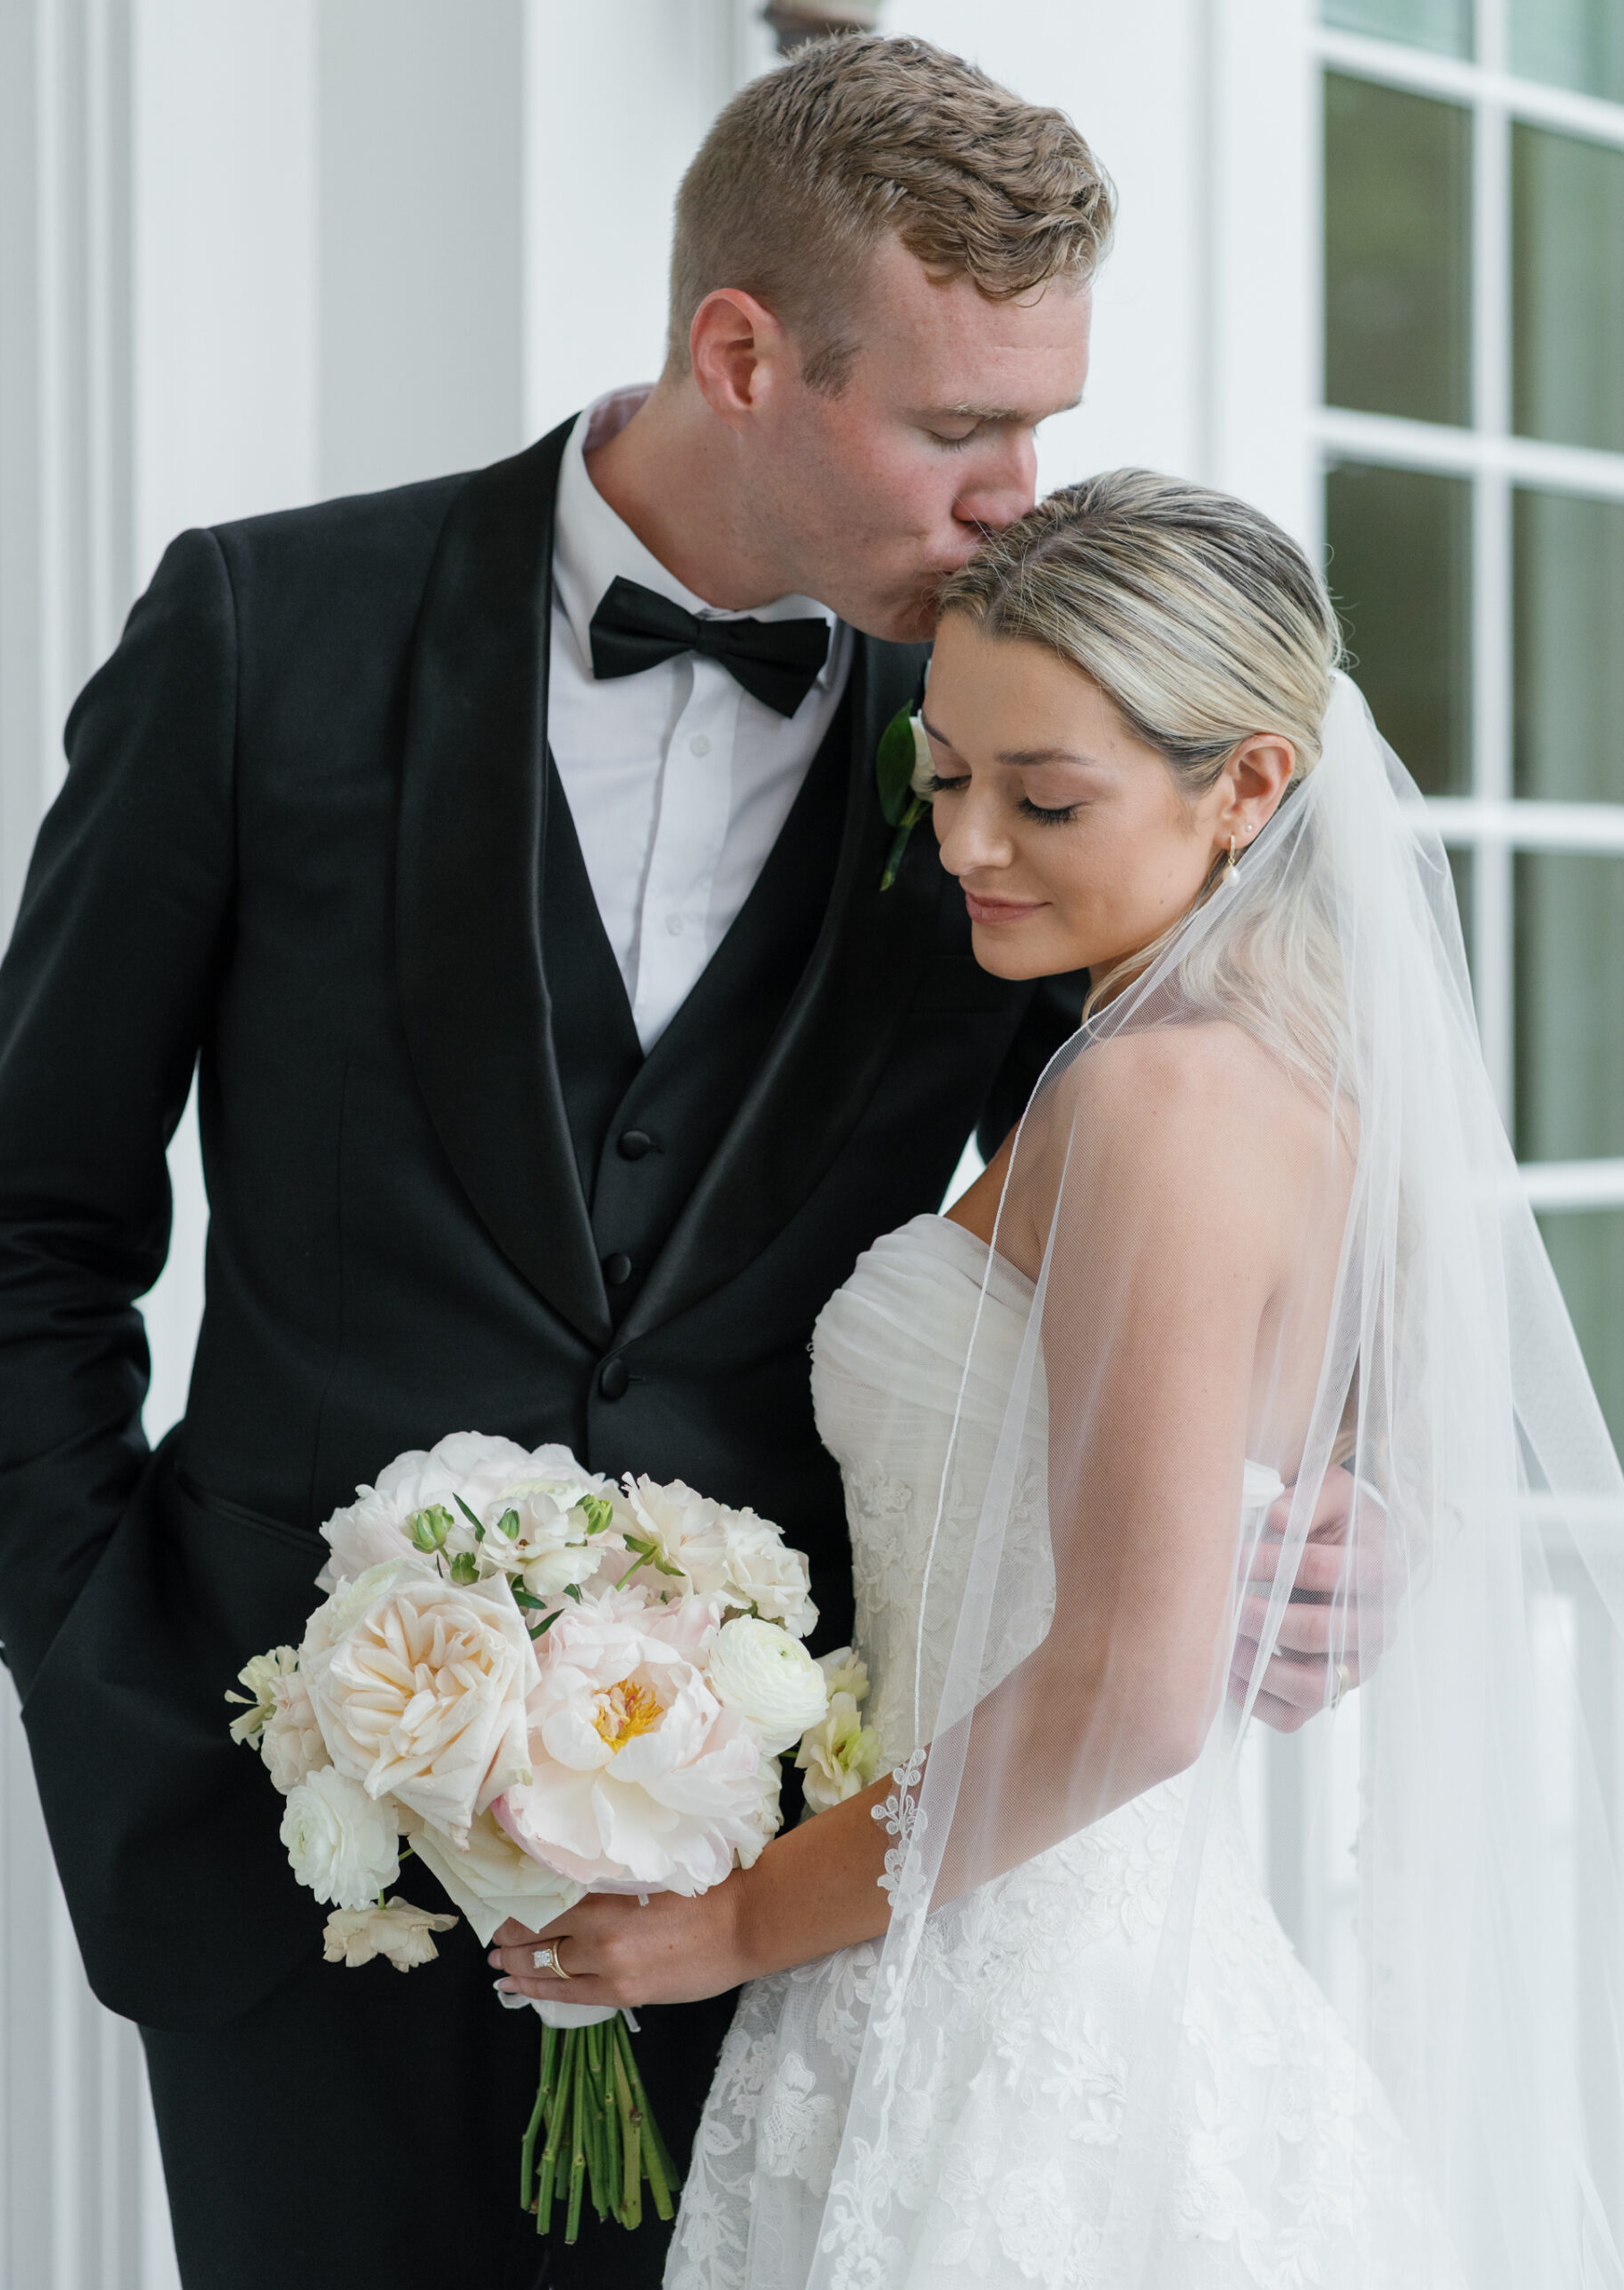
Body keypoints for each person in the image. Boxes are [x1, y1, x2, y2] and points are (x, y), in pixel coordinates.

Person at [0, 37, 1362, 2290]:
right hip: (290, 1851)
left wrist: (1335, 1506)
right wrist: (114, 1691)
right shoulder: (264, 633)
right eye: (960, 428)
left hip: (804, 1892)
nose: (1019, 499)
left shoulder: (1011, 749)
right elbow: (27, 1233)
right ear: (743, 353)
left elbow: (1158, 1188)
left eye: (1044, 424)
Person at [490, 473, 1624, 2288]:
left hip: (1015, 1993)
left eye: (1045, 799)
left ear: (1245, 784)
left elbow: (1130, 1688)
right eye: (943, 774)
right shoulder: (1237, 1061)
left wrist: (738, 1923)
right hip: (959, 1921)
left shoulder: (1162, 1097)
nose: (968, 844)